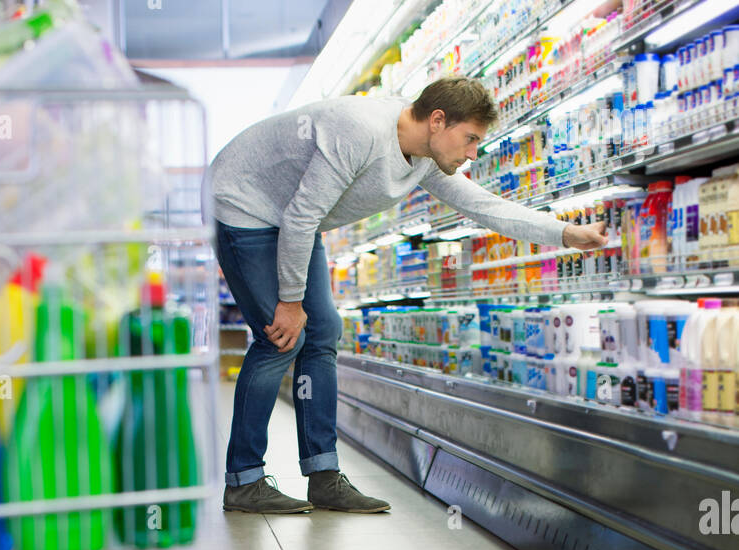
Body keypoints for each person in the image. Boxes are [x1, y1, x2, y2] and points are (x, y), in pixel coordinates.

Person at [203, 77, 607, 515]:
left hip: (293, 217)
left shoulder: (426, 157)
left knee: (324, 331)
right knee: (282, 337)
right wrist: (289, 302)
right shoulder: (360, 131)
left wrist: (566, 233)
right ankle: (243, 480)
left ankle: (322, 475)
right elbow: (302, 217)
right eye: (470, 138)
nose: (473, 152)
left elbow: (483, 206)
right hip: (244, 203)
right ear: (437, 121)